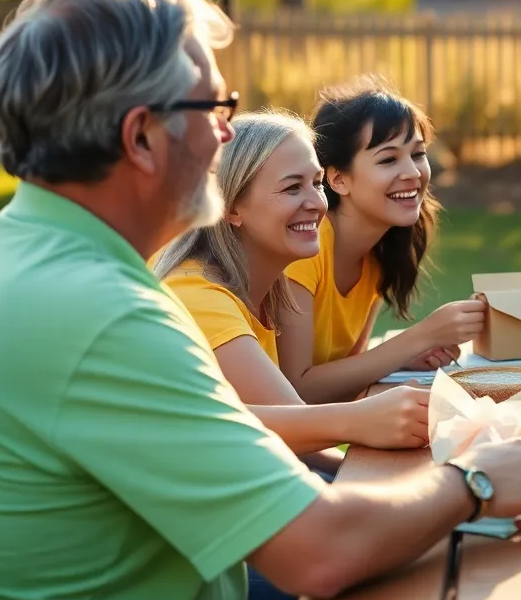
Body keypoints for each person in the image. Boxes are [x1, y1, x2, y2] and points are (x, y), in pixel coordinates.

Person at [0, 0, 521, 600]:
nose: (227, 139)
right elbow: (321, 553)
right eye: (215, 112)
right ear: (141, 138)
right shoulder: (103, 316)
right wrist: (475, 481)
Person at [154, 111, 430, 478]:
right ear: (230, 207)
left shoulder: (267, 290)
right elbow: (293, 423)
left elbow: (288, 439)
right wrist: (367, 416)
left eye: (316, 183)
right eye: (291, 188)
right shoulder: (197, 294)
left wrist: (361, 468)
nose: (317, 203)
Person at [276, 79, 485, 404]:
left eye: (417, 154)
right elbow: (297, 391)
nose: (413, 173)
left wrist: (401, 357)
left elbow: (346, 380)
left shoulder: (376, 255)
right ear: (338, 179)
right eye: (388, 160)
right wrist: (421, 336)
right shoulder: (306, 249)